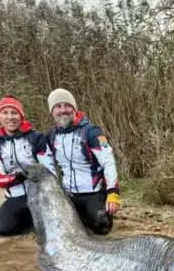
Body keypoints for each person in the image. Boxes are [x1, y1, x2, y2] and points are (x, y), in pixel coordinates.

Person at [37, 88, 121, 235]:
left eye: (67, 105)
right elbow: (45, 165)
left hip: (93, 192)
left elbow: (108, 162)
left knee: (101, 227)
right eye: (58, 106)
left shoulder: (90, 132)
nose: (63, 110)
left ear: (74, 109)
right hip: (68, 194)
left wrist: (113, 193)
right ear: (52, 112)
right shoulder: (50, 136)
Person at [0, 95, 47, 236]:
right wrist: (18, 177)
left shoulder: (36, 138)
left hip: (40, 196)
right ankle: (26, 221)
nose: (10, 117)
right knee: (2, 230)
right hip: (15, 198)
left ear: (21, 116)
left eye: (14, 113)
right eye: (5, 113)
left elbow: (49, 171)